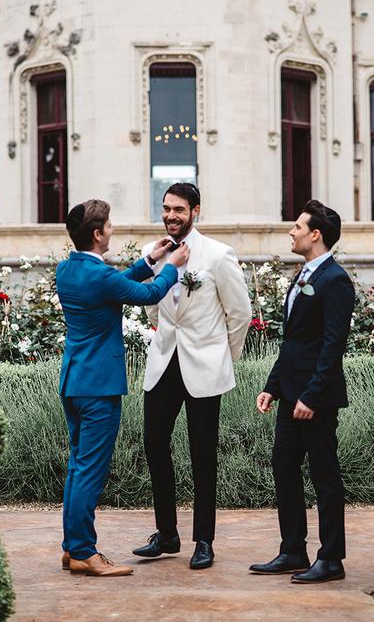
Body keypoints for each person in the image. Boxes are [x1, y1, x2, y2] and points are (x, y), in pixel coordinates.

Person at [56, 198, 189, 577]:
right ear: (98, 234)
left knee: (77, 467)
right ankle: (84, 551)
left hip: (74, 382)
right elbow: (146, 295)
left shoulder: (68, 270)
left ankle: (71, 547)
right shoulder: (99, 277)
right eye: (110, 225)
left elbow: (115, 286)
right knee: (90, 472)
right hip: (98, 387)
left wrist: (149, 262)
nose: (113, 229)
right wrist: (172, 268)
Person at [132, 183, 252, 570]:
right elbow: (152, 305)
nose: (170, 216)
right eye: (166, 208)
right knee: (154, 445)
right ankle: (166, 534)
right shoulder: (153, 254)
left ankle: (204, 540)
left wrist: (224, 358)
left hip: (205, 367)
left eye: (179, 210)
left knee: (202, 455)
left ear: (195, 211)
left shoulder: (218, 255)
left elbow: (241, 315)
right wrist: (161, 332)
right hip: (164, 361)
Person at [250, 199, 355, 583]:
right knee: (283, 467)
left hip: (317, 399)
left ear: (316, 234)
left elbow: (332, 346)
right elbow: (293, 342)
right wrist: (272, 387)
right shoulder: (303, 276)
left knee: (325, 474)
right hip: (291, 395)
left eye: (297, 226)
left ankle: (331, 558)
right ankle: (293, 550)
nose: (291, 232)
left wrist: (311, 395)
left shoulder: (335, 280)